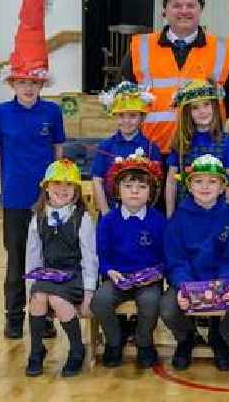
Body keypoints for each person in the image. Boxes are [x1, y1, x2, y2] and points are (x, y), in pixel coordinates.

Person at [0, 0, 64, 339]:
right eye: (22, 82)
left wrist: (54, 186)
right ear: (12, 83)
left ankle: (43, 316)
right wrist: (5, 182)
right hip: (15, 197)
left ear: (42, 83)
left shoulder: (53, 111)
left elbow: (58, 152)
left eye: (34, 81)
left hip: (48, 198)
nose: (28, 87)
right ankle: (13, 316)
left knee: (46, 259)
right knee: (17, 260)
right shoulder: (0, 113)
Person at [123, 0, 229, 155]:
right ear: (165, 10)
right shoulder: (141, 48)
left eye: (190, 5)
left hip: (205, 150)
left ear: (200, 9)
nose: (184, 11)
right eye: (176, 5)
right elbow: (125, 95)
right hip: (150, 150)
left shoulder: (222, 50)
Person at [160, 155, 229, 371]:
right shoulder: (178, 218)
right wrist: (185, 287)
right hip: (188, 281)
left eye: (212, 181)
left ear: (223, 187)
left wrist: (227, 284)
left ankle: (219, 337)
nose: (205, 187)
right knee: (168, 307)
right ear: (189, 185)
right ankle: (187, 338)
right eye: (198, 181)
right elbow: (176, 260)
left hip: (218, 280)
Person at [91, 150, 166, 369]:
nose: (135, 192)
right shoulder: (108, 221)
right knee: (100, 301)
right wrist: (109, 270)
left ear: (150, 192)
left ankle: (144, 343)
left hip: (148, 282)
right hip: (117, 278)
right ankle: (114, 342)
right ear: (117, 190)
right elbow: (102, 254)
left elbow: (166, 256)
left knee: (151, 302)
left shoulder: (158, 221)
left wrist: (157, 272)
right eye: (128, 187)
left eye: (141, 187)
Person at [23, 159, 98, 377]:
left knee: (56, 299)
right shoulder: (38, 218)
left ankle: (77, 349)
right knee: (38, 298)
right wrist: (31, 287)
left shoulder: (81, 218)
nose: (62, 190)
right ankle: (37, 351)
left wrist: (88, 294)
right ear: (46, 187)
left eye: (68, 185)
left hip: (74, 276)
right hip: (48, 276)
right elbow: (33, 256)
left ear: (76, 191)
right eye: (56, 184)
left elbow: (89, 258)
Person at [165, 79, 229, 216]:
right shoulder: (182, 142)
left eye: (206, 105)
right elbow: (171, 182)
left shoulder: (226, 142)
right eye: (195, 107)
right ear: (188, 112)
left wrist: (227, 216)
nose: (202, 111)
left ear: (215, 107)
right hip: (186, 214)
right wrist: (170, 216)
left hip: (217, 213)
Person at [92, 81, 161, 215]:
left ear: (142, 117)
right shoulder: (105, 147)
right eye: (121, 115)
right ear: (114, 116)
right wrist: (106, 214)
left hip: (142, 215)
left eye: (132, 116)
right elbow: (97, 181)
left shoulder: (151, 148)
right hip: (111, 213)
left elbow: (156, 186)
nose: (126, 121)